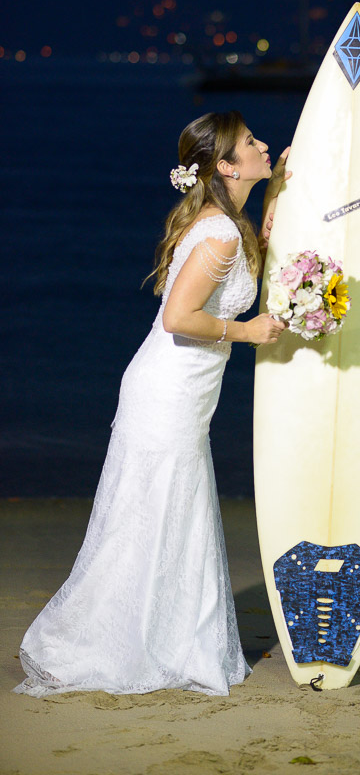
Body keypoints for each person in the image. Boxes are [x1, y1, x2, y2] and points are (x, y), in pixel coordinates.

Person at [14, 110, 288, 697]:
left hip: (179, 392)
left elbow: (249, 258)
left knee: (164, 516)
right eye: (251, 142)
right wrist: (250, 332)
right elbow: (178, 318)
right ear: (225, 165)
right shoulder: (217, 233)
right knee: (148, 517)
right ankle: (107, 643)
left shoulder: (226, 223)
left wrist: (277, 196)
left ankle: (165, 637)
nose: (263, 144)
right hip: (166, 393)